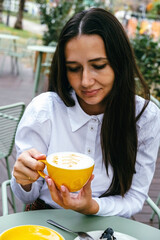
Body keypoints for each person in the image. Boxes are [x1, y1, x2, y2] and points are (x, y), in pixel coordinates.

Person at [11, 7, 160, 217]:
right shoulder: (44, 110)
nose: (85, 81)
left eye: (98, 65)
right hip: (46, 221)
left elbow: (135, 198)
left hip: (111, 223)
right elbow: (26, 196)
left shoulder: (144, 118)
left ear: (120, 63)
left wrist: (92, 207)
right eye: (73, 68)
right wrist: (23, 179)